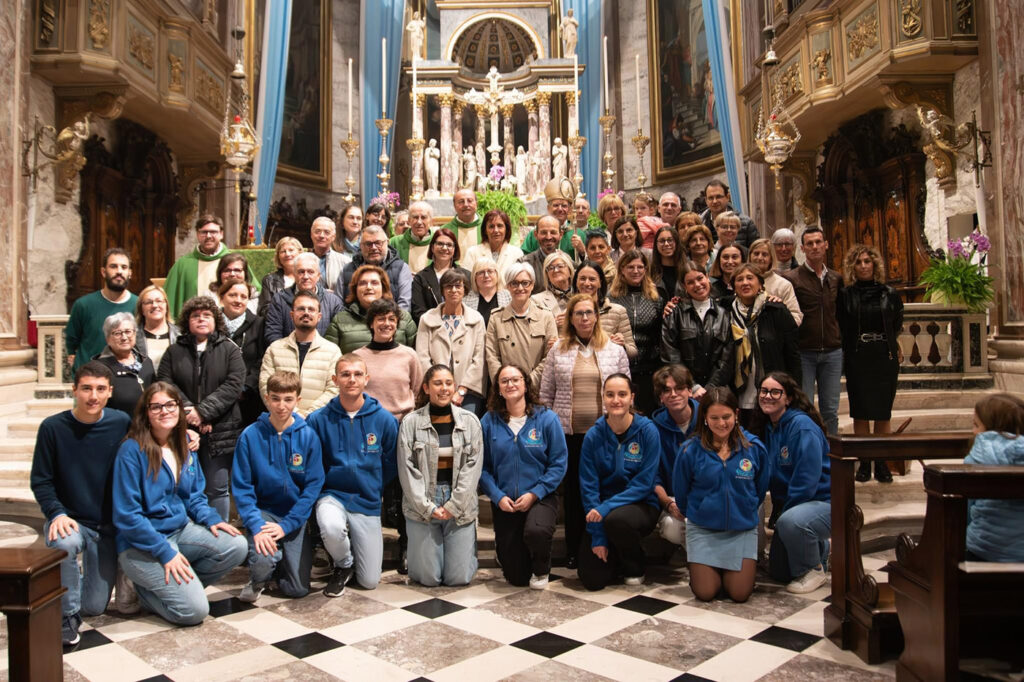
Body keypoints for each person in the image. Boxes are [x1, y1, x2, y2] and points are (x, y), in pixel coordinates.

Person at [113, 382, 247, 625]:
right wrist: (164, 553)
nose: (165, 411)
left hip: (180, 531)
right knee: (194, 612)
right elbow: (127, 516)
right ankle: (144, 592)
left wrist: (213, 519)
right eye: (156, 407)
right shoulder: (131, 450)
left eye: (170, 405)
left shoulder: (185, 443)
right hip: (142, 544)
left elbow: (194, 496)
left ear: (179, 407)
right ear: (145, 413)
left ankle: (177, 586)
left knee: (236, 545)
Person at [32, 362, 131, 645]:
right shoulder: (52, 428)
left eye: (101, 389)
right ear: (74, 389)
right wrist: (56, 513)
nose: (93, 396)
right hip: (71, 519)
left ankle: (68, 595)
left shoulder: (120, 422)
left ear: (110, 392)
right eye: (86, 388)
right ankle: (66, 618)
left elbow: (150, 443)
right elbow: (41, 480)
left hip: (107, 527)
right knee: (64, 543)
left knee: (95, 606)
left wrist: (189, 434)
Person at [539, 294, 630, 569]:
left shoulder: (615, 350)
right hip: (570, 435)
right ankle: (573, 550)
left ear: (597, 316)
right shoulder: (558, 350)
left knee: (604, 491)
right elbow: (546, 394)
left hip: (606, 434)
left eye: (589, 312)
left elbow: (625, 390)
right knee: (577, 495)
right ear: (570, 318)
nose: (584, 318)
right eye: (578, 313)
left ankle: (607, 546)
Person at [309, 355, 399, 593]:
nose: (352, 379)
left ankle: (352, 555)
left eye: (358, 374)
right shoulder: (318, 419)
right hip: (332, 494)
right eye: (345, 374)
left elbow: (391, 461)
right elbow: (312, 461)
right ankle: (343, 563)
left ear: (366, 379)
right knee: (330, 526)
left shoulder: (384, 420)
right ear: (335, 379)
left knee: (369, 582)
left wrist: (373, 483)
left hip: (366, 498)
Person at [232, 371, 325, 602]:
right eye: (275, 398)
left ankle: (281, 559)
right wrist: (255, 524)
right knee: (263, 557)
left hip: (294, 515)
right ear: (266, 398)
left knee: (296, 590)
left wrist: (287, 525)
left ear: (298, 400)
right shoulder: (250, 435)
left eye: (288, 399)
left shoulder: (308, 436)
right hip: (264, 512)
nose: (281, 405)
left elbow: (313, 487)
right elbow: (242, 488)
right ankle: (260, 577)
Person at [673, 388, 769, 602]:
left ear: (736, 414)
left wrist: (743, 508)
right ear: (705, 418)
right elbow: (681, 494)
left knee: (739, 594)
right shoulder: (690, 450)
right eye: (714, 418)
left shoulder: (753, 448)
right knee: (706, 593)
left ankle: (730, 574)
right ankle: (707, 571)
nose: (721, 423)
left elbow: (760, 489)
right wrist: (701, 513)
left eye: (726, 417)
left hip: (741, 529)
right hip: (703, 530)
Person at [157, 296, 245, 521]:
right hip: (182, 429)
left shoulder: (230, 350)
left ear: (216, 320)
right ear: (187, 321)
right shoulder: (174, 351)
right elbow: (166, 383)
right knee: (183, 485)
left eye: (207, 315)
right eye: (195, 316)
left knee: (217, 488)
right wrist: (190, 413)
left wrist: (204, 412)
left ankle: (220, 538)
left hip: (221, 428)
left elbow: (234, 384)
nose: (201, 319)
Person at [480, 364, 567, 588]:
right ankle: (508, 554)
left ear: (526, 385)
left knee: (536, 532)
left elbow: (558, 464)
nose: (510, 384)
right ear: (498, 388)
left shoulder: (547, 419)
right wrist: (498, 496)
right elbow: (481, 467)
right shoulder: (488, 422)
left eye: (516, 379)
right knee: (516, 578)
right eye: (504, 381)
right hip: (505, 501)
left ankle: (541, 567)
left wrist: (535, 493)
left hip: (540, 496)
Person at [352, 298, 422, 575]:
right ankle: (367, 550)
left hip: (402, 428)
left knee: (404, 491)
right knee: (369, 490)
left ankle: (407, 546)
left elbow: (417, 389)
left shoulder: (408, 355)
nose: (386, 324)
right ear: (371, 323)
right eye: (380, 319)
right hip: (367, 432)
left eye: (391, 319)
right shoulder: (359, 357)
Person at [397, 364, 484, 587]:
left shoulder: (470, 422)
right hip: (423, 501)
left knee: (458, 578)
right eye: (437, 383)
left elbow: (472, 469)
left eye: (448, 383)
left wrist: (454, 505)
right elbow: (407, 470)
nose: (444, 388)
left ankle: (461, 555)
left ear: (454, 386)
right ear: (426, 388)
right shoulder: (411, 422)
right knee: (429, 579)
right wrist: (427, 507)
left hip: (459, 502)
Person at [577, 374, 660, 589]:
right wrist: (598, 537)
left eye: (622, 394)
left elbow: (644, 484)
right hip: (602, 510)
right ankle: (614, 555)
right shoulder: (593, 436)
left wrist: (606, 508)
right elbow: (589, 487)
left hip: (640, 504)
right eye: (610, 394)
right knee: (591, 580)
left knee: (617, 521)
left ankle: (635, 564)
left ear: (632, 398)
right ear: (602, 398)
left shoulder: (648, 431)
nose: (616, 400)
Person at [758, 372, 832, 593]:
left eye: (775, 392)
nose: (767, 396)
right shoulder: (770, 428)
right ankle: (821, 547)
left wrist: (783, 515)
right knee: (779, 572)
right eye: (763, 391)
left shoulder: (801, 427)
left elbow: (806, 481)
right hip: (797, 506)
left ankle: (813, 569)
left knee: (791, 523)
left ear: (788, 398)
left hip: (824, 503)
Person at [838, 244, 904, 482]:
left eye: (868, 261)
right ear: (852, 267)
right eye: (859, 262)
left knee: (882, 413)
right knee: (861, 412)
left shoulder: (890, 293)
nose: (864, 266)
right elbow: (843, 325)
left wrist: (892, 344)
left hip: (884, 355)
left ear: (875, 264)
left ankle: (882, 463)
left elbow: (896, 322)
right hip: (858, 354)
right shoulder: (846, 295)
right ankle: (864, 462)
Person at [784, 226, 844, 435]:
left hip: (832, 351)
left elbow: (842, 314)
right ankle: (808, 451)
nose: (815, 247)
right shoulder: (792, 278)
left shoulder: (836, 278)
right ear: (802, 248)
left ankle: (833, 457)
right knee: (804, 407)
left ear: (826, 245)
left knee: (830, 409)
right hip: (804, 351)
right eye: (809, 243)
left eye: (818, 242)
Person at [731, 263, 802, 426]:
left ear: (760, 284)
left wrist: (795, 391)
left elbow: (792, 353)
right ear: (734, 286)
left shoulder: (776, 309)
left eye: (750, 278)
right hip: (741, 391)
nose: (745, 283)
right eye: (739, 279)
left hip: (773, 387)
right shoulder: (726, 311)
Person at [259, 291, 342, 417]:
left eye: (311, 309)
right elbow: (265, 385)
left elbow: (334, 389)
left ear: (319, 316)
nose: (306, 313)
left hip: (318, 423)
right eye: (301, 309)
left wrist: (308, 416)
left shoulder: (332, 351)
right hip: (282, 421)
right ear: (292, 315)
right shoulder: (274, 349)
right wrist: (292, 414)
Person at [416, 269, 487, 415]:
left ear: (465, 290)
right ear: (442, 290)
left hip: (468, 392)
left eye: (458, 286)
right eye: (448, 286)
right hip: (435, 392)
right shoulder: (427, 319)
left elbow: (479, 359)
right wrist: (439, 387)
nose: (453, 290)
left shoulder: (477, 319)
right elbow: (422, 357)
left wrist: (461, 391)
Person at [963, 393, 1024, 562]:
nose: (973, 431)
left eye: (976, 425)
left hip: (985, 551)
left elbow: (964, 513)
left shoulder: (976, 460)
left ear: (990, 428)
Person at [661, 263, 735, 394]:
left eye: (700, 278)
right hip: (684, 389)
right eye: (690, 282)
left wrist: (710, 387)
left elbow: (727, 358)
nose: (697, 284)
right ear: (684, 286)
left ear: (707, 278)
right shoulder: (674, 313)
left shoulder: (725, 314)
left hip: (717, 390)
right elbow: (671, 354)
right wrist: (693, 386)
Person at [164, 214, 255, 318]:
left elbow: (253, 291)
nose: (208, 236)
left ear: (221, 234)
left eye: (213, 232)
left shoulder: (234, 262)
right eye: (204, 232)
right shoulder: (183, 265)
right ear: (197, 234)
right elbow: (168, 299)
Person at [606, 252, 663, 414]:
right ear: (622, 269)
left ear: (646, 269)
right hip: (622, 368)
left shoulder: (656, 298)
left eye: (640, 267)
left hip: (649, 369)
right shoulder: (611, 298)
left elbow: (660, 334)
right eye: (630, 267)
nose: (636, 271)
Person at [485, 263, 558, 387]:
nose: (520, 288)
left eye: (525, 283)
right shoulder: (496, 317)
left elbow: (550, 356)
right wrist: (505, 383)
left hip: (537, 388)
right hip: (507, 390)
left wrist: (528, 383)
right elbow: (492, 356)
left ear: (532, 285)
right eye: (514, 283)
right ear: (508, 286)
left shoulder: (546, 316)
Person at [651, 365, 700, 548]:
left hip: (707, 495)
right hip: (673, 498)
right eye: (666, 390)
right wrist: (669, 505)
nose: (673, 394)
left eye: (679, 388)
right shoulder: (653, 429)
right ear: (661, 398)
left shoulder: (709, 419)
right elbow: (653, 477)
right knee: (672, 528)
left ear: (689, 390)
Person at [66, 248, 138, 373]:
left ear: (130, 273)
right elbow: (71, 343)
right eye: (113, 266)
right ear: (103, 272)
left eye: (124, 267)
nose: (119, 271)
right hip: (90, 377)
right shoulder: (83, 305)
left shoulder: (139, 305)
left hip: (126, 376)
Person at [327, 264, 417, 354]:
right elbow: (329, 356)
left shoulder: (403, 317)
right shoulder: (340, 320)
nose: (369, 287)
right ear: (355, 289)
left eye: (374, 283)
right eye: (363, 283)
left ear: (383, 288)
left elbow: (415, 354)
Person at [264, 253, 345, 344]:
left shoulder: (333, 302)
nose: (306, 277)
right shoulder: (279, 299)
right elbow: (273, 333)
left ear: (318, 276)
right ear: (294, 275)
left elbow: (340, 334)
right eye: (301, 272)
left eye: (310, 272)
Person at [219, 280, 265, 426]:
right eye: (233, 295)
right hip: (216, 398)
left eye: (243, 296)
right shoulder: (211, 325)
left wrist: (245, 388)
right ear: (222, 298)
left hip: (247, 400)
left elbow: (263, 360)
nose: (238, 300)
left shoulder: (259, 324)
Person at [574, 259, 637, 363]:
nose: (587, 283)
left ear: (600, 283)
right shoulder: (568, 313)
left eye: (592, 279)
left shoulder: (618, 311)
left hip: (609, 372)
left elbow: (633, 352)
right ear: (576, 282)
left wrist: (622, 345)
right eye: (582, 278)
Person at [94, 313, 154, 416]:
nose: (124, 337)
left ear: (135, 334)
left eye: (128, 331)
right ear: (107, 339)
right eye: (117, 333)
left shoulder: (146, 361)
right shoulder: (99, 368)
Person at [410, 228, 470, 323]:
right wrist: (439, 325)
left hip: (463, 328)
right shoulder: (421, 278)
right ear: (432, 247)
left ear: (454, 249)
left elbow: (471, 305)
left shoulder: (466, 275)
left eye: (449, 245)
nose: (444, 248)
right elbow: (418, 311)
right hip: (432, 329)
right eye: (440, 244)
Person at [748, 238, 802, 325]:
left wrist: (781, 309)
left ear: (771, 259)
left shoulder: (783, 285)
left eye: (764, 254)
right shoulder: (741, 281)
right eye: (756, 253)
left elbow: (796, 318)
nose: (760, 257)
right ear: (750, 256)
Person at [521, 178, 579, 257]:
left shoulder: (577, 234)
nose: (560, 209)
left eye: (564, 206)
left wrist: (582, 252)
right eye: (556, 205)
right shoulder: (535, 234)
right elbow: (524, 259)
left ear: (569, 209)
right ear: (548, 208)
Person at [461, 209, 524, 279]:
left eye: (500, 226)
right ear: (485, 230)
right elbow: (465, 282)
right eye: (491, 226)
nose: (496, 230)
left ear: (507, 229)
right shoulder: (472, 252)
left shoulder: (516, 253)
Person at [700, 180, 759, 248]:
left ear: (727, 197)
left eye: (718, 197)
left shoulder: (746, 223)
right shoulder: (701, 225)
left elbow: (756, 251)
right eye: (710, 198)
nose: (715, 201)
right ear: (706, 200)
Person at [135, 285, 177, 369]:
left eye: (159, 301)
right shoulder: (132, 336)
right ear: (142, 310)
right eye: (148, 302)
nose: (154, 305)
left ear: (166, 306)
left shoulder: (181, 335)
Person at [257, 237, 302, 315]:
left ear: (300, 253)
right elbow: (264, 309)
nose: (287, 254)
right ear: (278, 257)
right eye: (283, 251)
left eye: (291, 250)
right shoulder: (269, 280)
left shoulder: (309, 277)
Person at [464, 257, 510, 328]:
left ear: (497, 274)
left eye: (490, 271)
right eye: (481, 272)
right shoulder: (465, 300)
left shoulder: (509, 297)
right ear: (474, 277)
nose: (486, 275)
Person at [391, 201, 435, 275]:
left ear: (431, 221)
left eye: (423, 217)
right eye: (415, 217)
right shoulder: (395, 242)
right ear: (409, 220)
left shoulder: (437, 241)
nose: (419, 222)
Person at [532, 250, 575, 326]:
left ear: (570, 270)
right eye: (551, 268)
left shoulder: (582, 295)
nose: (556, 270)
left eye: (560, 266)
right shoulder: (536, 300)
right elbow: (533, 328)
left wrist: (573, 320)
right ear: (547, 274)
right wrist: (552, 324)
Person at [523, 216, 563, 294]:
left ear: (561, 235)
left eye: (553, 232)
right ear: (535, 234)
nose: (548, 237)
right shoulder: (524, 263)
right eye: (544, 232)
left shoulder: (568, 263)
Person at [309, 217, 350, 293]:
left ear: (333, 237)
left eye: (327, 232)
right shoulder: (302, 260)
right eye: (317, 231)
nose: (321, 235)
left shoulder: (345, 262)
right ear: (311, 234)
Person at [442, 188, 483, 256]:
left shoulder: (488, 227)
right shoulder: (445, 230)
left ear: (476, 204)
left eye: (470, 201)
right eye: (461, 202)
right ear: (454, 206)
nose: (466, 205)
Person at [651, 226, 683, 298]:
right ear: (656, 244)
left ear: (676, 242)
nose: (666, 244)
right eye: (662, 241)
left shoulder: (687, 269)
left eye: (670, 240)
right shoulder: (650, 273)